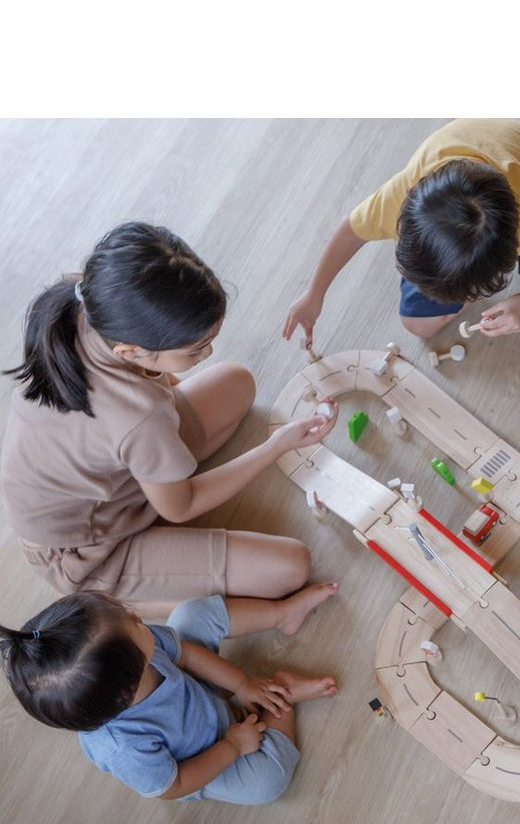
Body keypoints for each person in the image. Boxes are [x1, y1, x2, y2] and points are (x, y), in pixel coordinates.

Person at [2, 222, 338, 608]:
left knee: (238, 381)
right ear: (131, 351)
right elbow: (182, 506)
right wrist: (275, 446)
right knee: (291, 567)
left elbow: (152, 395)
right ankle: (101, 595)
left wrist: (163, 429)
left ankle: (151, 497)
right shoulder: (138, 417)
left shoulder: (92, 300)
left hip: (108, 481)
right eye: (196, 349)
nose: (207, 355)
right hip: (83, 550)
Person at [282, 118, 520, 354]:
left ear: (511, 251)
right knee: (419, 324)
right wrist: (315, 293)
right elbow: (351, 232)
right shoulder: (404, 196)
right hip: (477, 182)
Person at [0, 584, 339, 803]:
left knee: (192, 614)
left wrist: (241, 684)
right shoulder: (125, 747)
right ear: (126, 686)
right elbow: (175, 784)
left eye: (125, 614)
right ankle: (284, 700)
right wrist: (233, 746)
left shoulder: (135, 644)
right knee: (265, 783)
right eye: (132, 623)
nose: (137, 617)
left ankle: (283, 614)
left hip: (198, 688)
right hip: (206, 757)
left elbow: (187, 654)